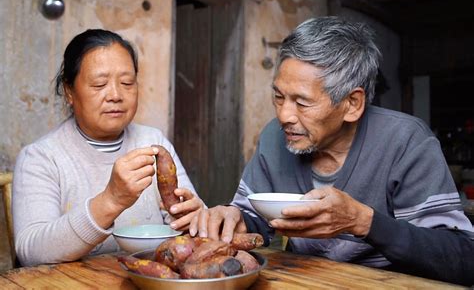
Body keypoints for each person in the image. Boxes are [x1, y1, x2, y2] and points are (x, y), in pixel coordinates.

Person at [189, 17, 474, 285]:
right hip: (306, 282)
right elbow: (255, 221)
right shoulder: (274, 139)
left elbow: (463, 258)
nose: (284, 115)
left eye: (302, 102)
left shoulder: (406, 141)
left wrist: (363, 222)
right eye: (278, 97)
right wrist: (233, 219)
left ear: (352, 104)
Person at [13, 29, 204, 266]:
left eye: (127, 82)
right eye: (99, 84)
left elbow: (192, 227)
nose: (115, 95)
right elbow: (31, 252)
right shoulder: (41, 157)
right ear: (69, 91)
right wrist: (111, 200)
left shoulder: (153, 142)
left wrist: (192, 221)